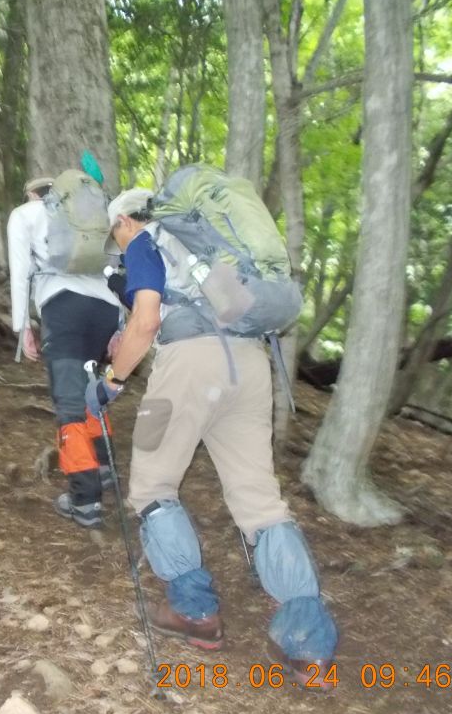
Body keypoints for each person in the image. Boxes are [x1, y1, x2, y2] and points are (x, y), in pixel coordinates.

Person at [85, 188, 337, 685]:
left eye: (115, 231)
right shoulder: (205, 246)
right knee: (260, 502)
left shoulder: (144, 240)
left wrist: (111, 381)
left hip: (187, 370)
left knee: (153, 488)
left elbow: (147, 319)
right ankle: (308, 642)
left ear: (126, 221)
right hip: (247, 365)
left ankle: (195, 613)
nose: (117, 241)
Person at [8, 176, 121, 530]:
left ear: (33, 193)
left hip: (63, 309)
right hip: (104, 310)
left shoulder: (25, 214)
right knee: (91, 393)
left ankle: (85, 500)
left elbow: (20, 271)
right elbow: (114, 266)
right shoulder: (92, 216)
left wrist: (22, 326)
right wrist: (120, 324)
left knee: (70, 404)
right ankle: (104, 470)